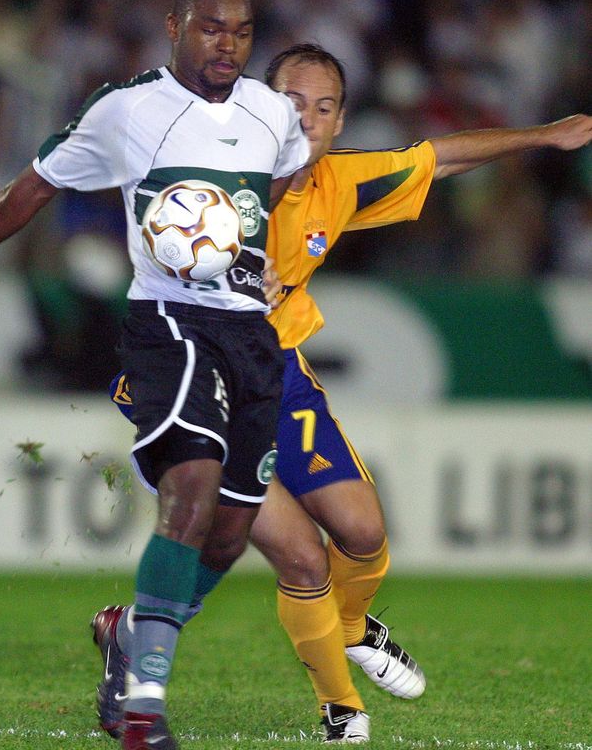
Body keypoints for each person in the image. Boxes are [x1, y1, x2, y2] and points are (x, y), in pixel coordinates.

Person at [96, 44, 592, 744]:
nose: (309, 117)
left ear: (339, 118)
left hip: (279, 376)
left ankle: (324, 628)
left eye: (324, 106)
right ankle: (341, 707)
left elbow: (438, 157)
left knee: (359, 531)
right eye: (293, 101)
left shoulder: (337, 180)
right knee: (294, 552)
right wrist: (222, 278)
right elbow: (160, 239)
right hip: (188, 368)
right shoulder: (208, 166)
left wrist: (544, 135)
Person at [0, 0, 309, 750]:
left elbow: (294, 175)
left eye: (240, 31)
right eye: (210, 28)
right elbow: (34, 187)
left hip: (250, 334)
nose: (226, 44)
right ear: (173, 27)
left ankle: (128, 633)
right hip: (167, 320)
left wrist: (269, 250)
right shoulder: (127, 109)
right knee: (190, 487)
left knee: (229, 535)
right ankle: (143, 709)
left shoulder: (273, 113)